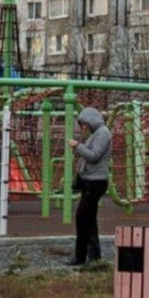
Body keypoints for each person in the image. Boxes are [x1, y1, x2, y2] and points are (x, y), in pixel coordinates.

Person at [66, 107, 112, 266]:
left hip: (96, 181)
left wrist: (77, 146)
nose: (83, 127)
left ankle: (83, 256)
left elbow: (94, 156)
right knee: (88, 219)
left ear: (92, 121)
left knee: (83, 218)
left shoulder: (102, 133)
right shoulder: (96, 133)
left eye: (84, 124)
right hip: (91, 180)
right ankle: (92, 256)